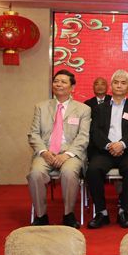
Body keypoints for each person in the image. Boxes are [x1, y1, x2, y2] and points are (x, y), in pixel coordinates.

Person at [27, 69, 91, 228]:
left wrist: (67, 154)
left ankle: (68, 214)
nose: (59, 84)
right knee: (35, 174)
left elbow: (83, 137)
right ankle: (41, 215)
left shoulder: (83, 109)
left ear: (72, 87)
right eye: (56, 81)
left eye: (63, 82)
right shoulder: (41, 107)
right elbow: (33, 134)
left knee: (69, 173)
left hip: (70, 154)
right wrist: (44, 152)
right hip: (46, 152)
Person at [85, 70, 128, 229]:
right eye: (116, 82)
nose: (119, 85)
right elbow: (95, 131)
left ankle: (124, 211)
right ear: (111, 86)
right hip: (105, 150)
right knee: (93, 170)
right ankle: (101, 212)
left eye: (123, 83)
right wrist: (109, 145)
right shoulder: (99, 108)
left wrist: (122, 144)